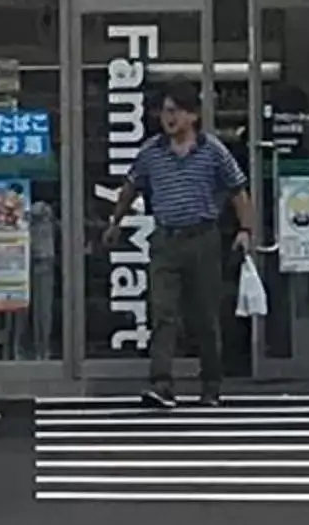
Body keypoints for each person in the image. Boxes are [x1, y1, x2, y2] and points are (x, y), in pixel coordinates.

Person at [99, 84, 258, 408]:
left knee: (205, 315)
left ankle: (211, 384)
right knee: (164, 312)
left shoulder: (212, 150)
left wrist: (245, 229)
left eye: (175, 111)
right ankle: (161, 383)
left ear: (193, 115)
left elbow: (238, 190)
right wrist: (116, 222)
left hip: (202, 238)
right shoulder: (150, 152)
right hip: (165, 239)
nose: (169, 118)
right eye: (165, 112)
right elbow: (131, 187)